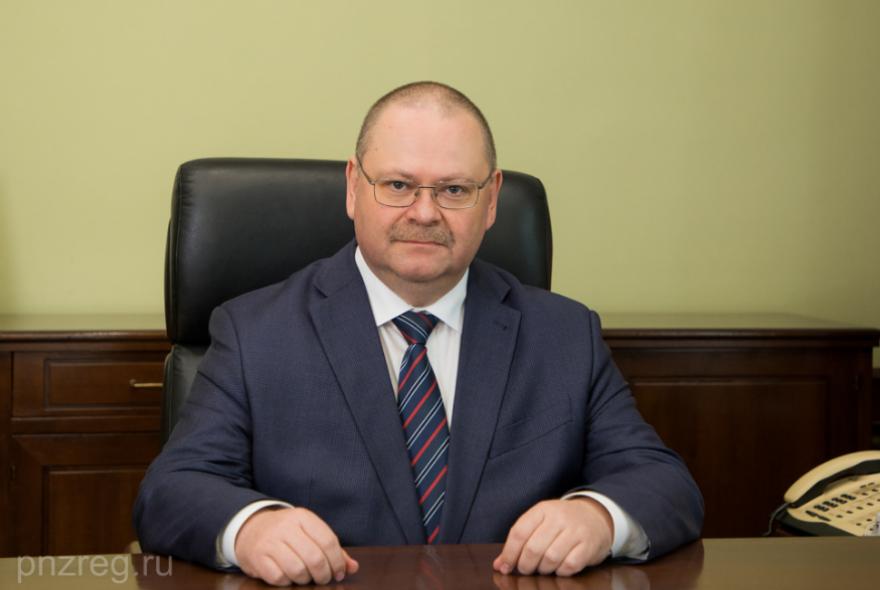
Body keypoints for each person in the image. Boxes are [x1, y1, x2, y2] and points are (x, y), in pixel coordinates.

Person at [134, 81, 703, 586]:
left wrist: (598, 517)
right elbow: (172, 491)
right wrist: (252, 528)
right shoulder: (256, 332)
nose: (425, 213)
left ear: (491, 200)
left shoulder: (564, 335)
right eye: (399, 184)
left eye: (454, 190)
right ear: (353, 187)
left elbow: (664, 482)